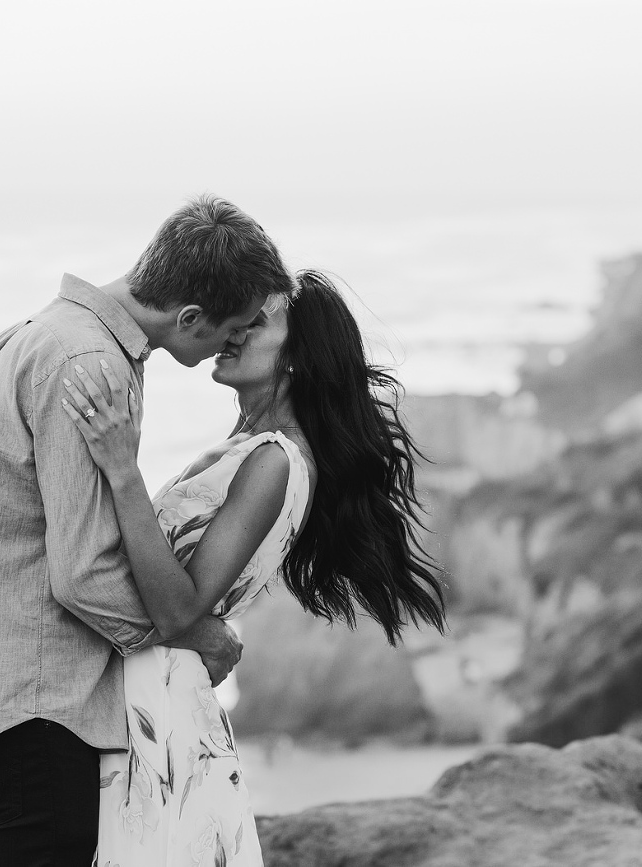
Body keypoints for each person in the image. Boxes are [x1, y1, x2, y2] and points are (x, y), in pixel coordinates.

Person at [0, 195, 296, 867]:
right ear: (189, 317)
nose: (233, 343)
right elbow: (83, 573)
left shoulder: (32, 334)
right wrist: (193, 635)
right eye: (231, 328)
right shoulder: (91, 366)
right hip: (46, 714)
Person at [60, 270, 447, 866]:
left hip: (160, 711)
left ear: (297, 356)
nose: (234, 331)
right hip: (141, 695)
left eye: (257, 322)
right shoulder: (248, 448)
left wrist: (122, 469)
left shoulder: (274, 462)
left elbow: (178, 608)